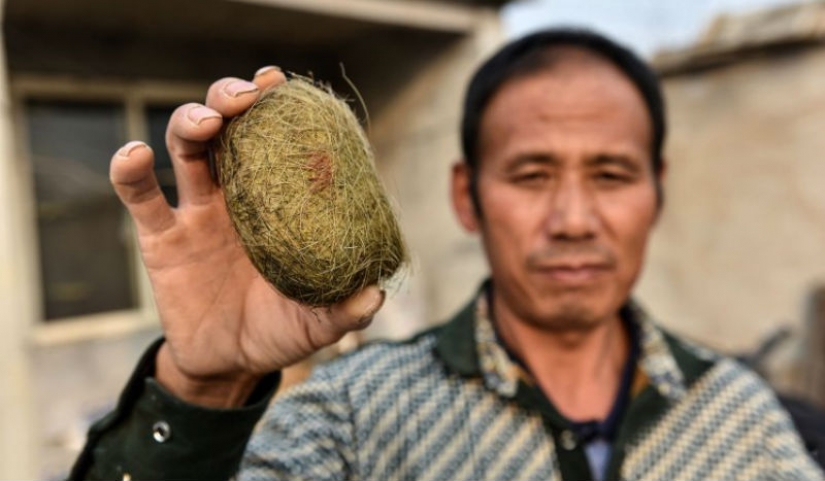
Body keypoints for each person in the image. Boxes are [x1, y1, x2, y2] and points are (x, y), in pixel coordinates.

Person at [70, 28, 824, 481]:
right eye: (530, 174)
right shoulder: (347, 420)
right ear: (466, 196)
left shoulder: (742, 421)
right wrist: (204, 386)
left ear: (655, 191)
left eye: (610, 174)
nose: (570, 219)